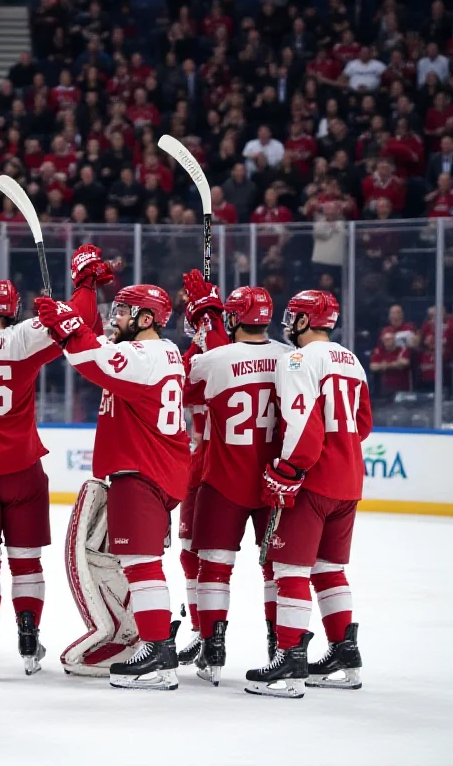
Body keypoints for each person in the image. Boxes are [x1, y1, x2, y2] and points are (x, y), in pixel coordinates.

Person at [0, 245, 112, 680]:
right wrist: (85, 281)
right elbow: (77, 318)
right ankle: (29, 640)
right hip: (24, 469)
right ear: (13, 310)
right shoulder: (22, 338)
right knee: (27, 562)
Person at [36, 284, 190, 690]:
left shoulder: (146, 355)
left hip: (141, 469)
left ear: (146, 319)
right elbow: (95, 346)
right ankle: (157, 649)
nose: (114, 318)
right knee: (139, 563)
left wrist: (69, 329)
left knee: (142, 564)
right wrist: (78, 299)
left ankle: (157, 651)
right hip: (150, 468)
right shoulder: (156, 353)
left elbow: (91, 358)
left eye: (123, 312)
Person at [246, 290, 372, 699]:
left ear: (304, 321)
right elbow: (363, 424)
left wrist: (290, 467)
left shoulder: (297, 360)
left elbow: (303, 421)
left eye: (293, 316)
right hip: (350, 479)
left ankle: (290, 659)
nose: (288, 323)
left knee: (291, 570)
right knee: (329, 569)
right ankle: (343, 653)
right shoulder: (351, 359)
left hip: (312, 480)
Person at [185, 284, 291, 686]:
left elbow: (182, 386)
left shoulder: (215, 359)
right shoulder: (288, 356)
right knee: (275, 571)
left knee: (214, 569)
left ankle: (212, 648)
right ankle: (278, 647)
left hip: (223, 481)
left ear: (233, 318)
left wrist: (203, 326)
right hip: (273, 484)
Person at [176, 270, 229, 667]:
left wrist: (207, 317)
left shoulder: (225, 352)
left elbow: (222, 363)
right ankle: (201, 629)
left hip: (221, 465)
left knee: (212, 560)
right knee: (190, 554)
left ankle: (210, 633)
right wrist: (205, 321)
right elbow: (186, 379)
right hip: (199, 464)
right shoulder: (201, 354)